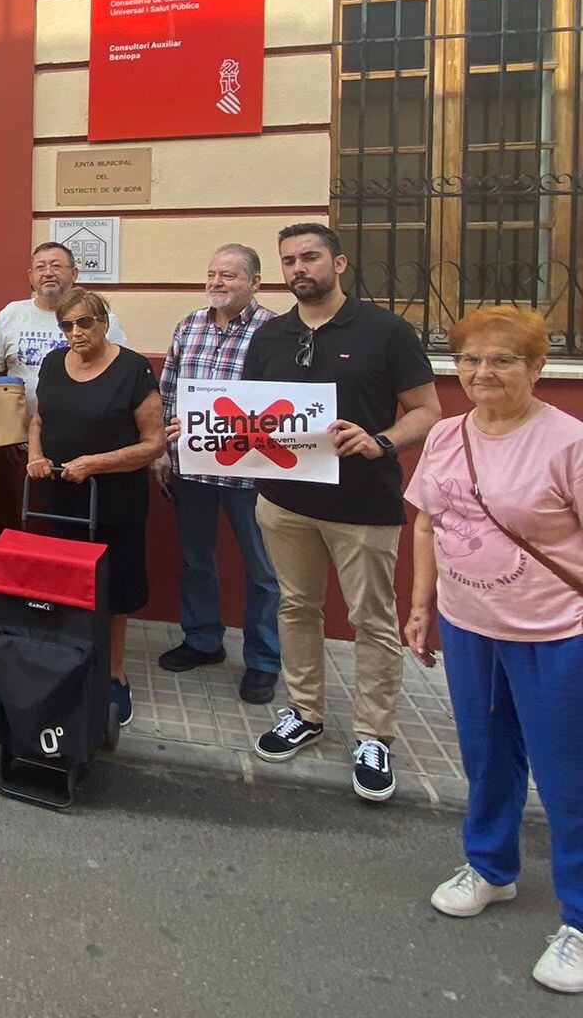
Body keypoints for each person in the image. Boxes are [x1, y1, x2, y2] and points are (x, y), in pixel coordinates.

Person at [403, 305, 583, 994]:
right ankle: (490, 867)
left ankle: (579, 920)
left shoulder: (566, 442)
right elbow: (425, 523)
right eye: (471, 359)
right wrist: (421, 607)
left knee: (567, 776)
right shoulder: (448, 436)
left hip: (556, 632)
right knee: (485, 755)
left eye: (503, 360)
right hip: (470, 624)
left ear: (537, 368)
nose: (483, 372)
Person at [244, 222, 440, 803]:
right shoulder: (271, 334)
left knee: (372, 621)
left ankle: (374, 735)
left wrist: (380, 439)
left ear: (340, 263)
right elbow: (250, 416)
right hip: (283, 502)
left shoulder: (387, 331)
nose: (298, 268)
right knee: (297, 606)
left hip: (362, 505)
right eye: (289, 261)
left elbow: (427, 411)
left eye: (310, 257)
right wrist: (205, 434)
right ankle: (304, 711)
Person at [28, 288, 164, 726]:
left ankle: (114, 673)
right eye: (67, 325)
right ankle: (73, 663)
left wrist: (95, 464)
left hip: (115, 500)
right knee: (68, 586)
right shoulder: (52, 363)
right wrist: (35, 455)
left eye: (85, 323)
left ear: (104, 322)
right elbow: (39, 420)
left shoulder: (132, 369)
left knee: (114, 590)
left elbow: (153, 443)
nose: (76, 332)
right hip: (61, 497)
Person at [151, 245, 281, 704]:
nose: (217, 282)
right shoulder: (189, 325)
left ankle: (264, 661)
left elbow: (281, 402)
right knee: (196, 559)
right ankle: (204, 640)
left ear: (255, 282)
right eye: (212, 274)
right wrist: (162, 452)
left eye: (228, 275)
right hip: (192, 467)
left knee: (263, 571)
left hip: (253, 476)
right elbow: (168, 392)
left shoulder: (275, 331)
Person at [0, 241, 128, 538]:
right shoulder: (12, 314)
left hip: (89, 452)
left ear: (74, 273)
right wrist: (7, 434)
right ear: (30, 276)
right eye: (40, 267)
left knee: (85, 535)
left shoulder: (105, 320)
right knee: (33, 529)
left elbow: (121, 376)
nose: (48, 273)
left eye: (56, 266)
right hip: (26, 448)